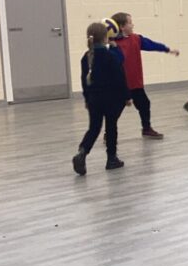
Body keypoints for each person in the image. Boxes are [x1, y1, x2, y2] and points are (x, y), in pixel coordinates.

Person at [110, 12, 179, 140]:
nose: (133, 25)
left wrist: (167, 49)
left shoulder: (136, 39)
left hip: (135, 83)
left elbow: (151, 44)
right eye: (130, 23)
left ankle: (146, 129)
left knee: (144, 104)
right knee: (116, 110)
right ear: (122, 26)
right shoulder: (112, 45)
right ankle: (109, 132)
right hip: (120, 85)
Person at [73, 21, 129, 175]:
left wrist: (86, 98)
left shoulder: (86, 57)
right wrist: (127, 96)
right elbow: (120, 77)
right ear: (106, 38)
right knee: (111, 127)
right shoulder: (110, 55)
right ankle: (111, 159)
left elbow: (84, 81)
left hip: (94, 99)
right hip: (111, 99)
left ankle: (82, 152)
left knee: (94, 128)